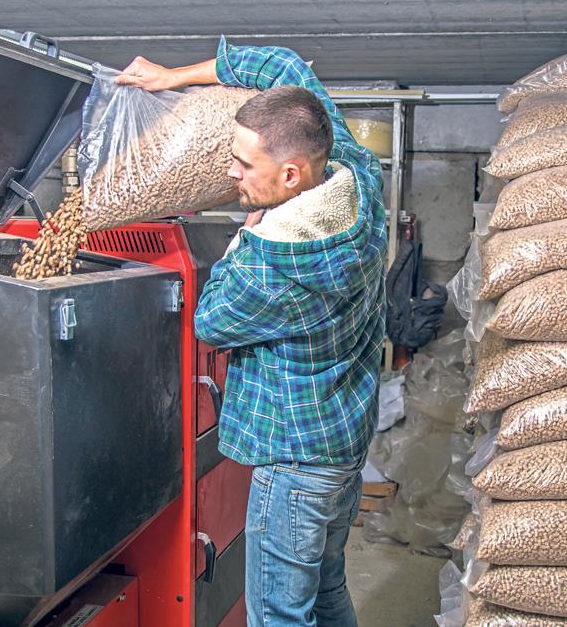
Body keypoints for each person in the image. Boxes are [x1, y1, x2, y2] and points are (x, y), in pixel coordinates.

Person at [117, 37, 386, 627]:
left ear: (291, 174)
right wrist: (172, 76)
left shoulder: (277, 265)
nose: (229, 173)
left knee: (277, 613)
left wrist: (244, 238)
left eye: (243, 165)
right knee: (325, 587)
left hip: (295, 465)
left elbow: (210, 321)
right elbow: (282, 65)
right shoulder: (356, 174)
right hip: (342, 438)